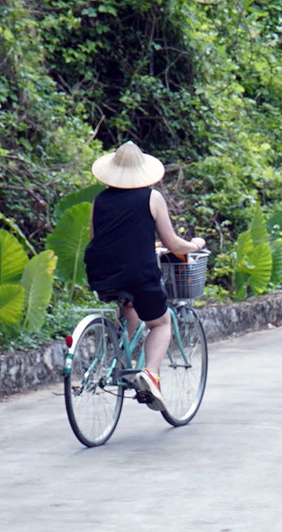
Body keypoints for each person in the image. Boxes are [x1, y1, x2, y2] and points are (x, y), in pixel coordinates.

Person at [83, 141, 206, 412]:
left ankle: (115, 359)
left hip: (101, 272)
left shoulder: (99, 201)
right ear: (141, 172)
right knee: (161, 323)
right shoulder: (152, 198)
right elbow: (173, 244)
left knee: (129, 305)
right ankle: (149, 374)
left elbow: (98, 240)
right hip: (138, 273)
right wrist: (195, 245)